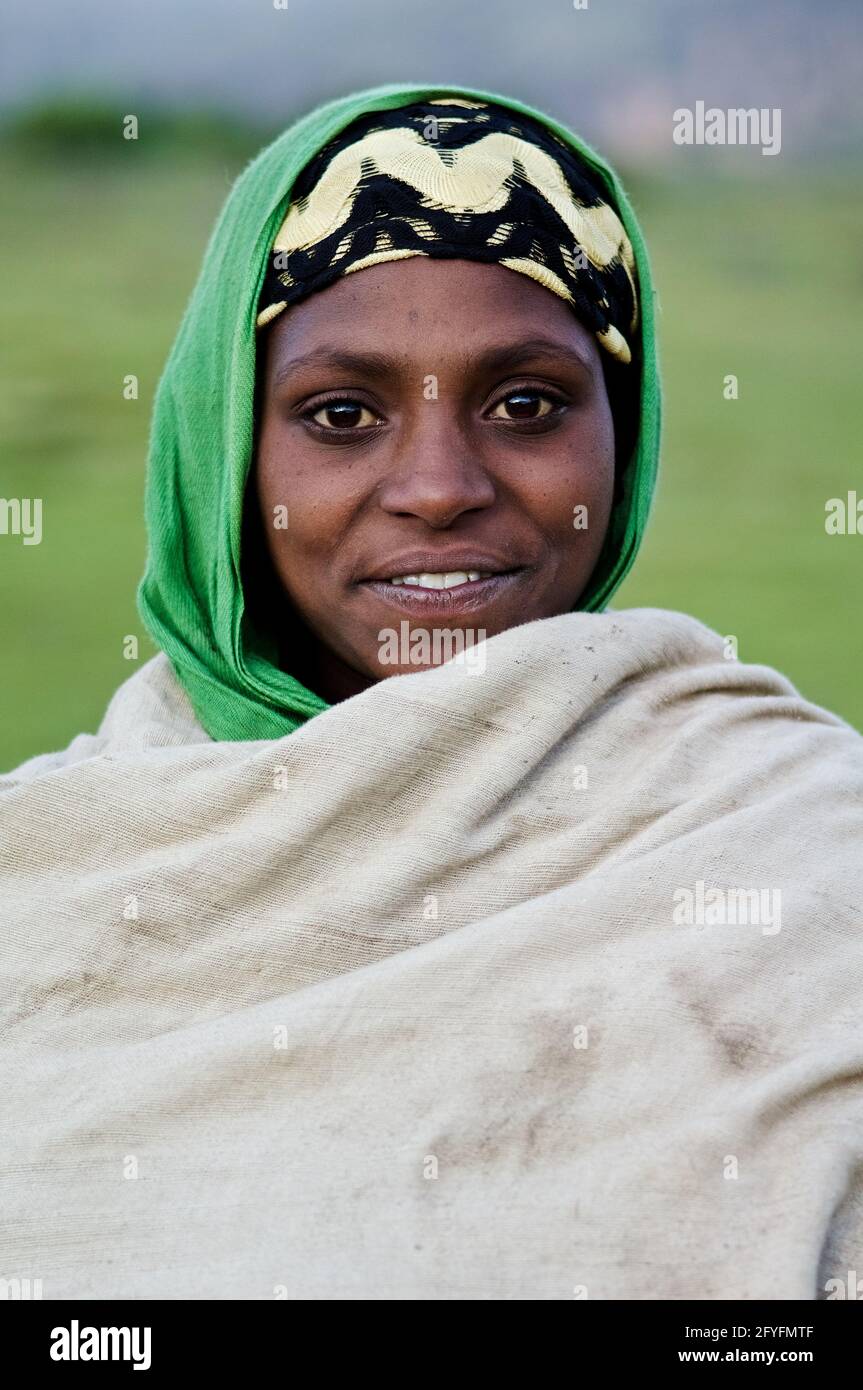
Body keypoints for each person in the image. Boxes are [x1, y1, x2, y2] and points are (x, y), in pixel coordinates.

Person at [1, 83, 861, 1302]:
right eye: (340, 414)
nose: (440, 485)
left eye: (525, 404)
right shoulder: (47, 878)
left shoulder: (797, 839)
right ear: (225, 451)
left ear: (621, 435)